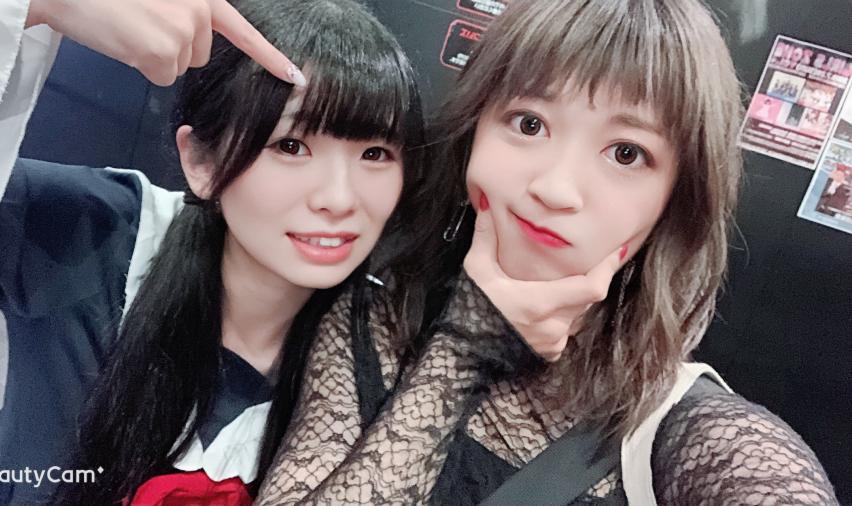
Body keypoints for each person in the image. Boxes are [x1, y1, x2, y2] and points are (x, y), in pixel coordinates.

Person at [253, 0, 841, 504]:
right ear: (474, 132)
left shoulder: (695, 434)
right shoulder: (373, 322)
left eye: (627, 153)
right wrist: (464, 347)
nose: (556, 188)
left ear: (674, 201)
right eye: (529, 124)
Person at [0, 0, 433, 503]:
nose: (339, 198)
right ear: (201, 162)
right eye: (291, 146)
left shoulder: (385, 354)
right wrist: (32, 6)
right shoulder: (97, 234)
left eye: (375, 154)